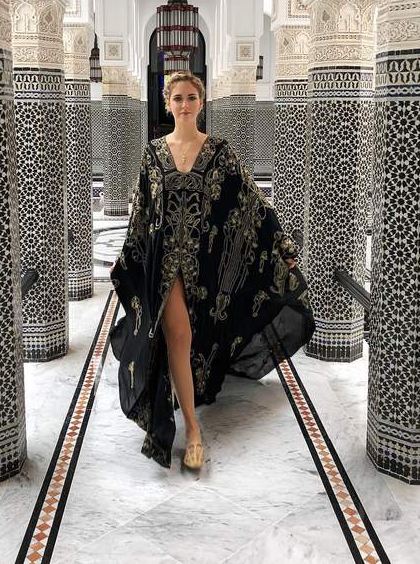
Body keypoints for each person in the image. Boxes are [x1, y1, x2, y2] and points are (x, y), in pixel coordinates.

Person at [110, 71, 315, 469]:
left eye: (191, 97)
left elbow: (253, 201)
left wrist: (282, 246)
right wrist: (128, 259)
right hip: (165, 265)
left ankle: (185, 387)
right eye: (178, 98)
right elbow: (142, 211)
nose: (184, 105)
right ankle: (192, 430)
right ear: (167, 103)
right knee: (178, 333)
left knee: (196, 337)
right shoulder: (152, 154)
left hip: (206, 266)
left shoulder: (220, 152)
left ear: (201, 103)